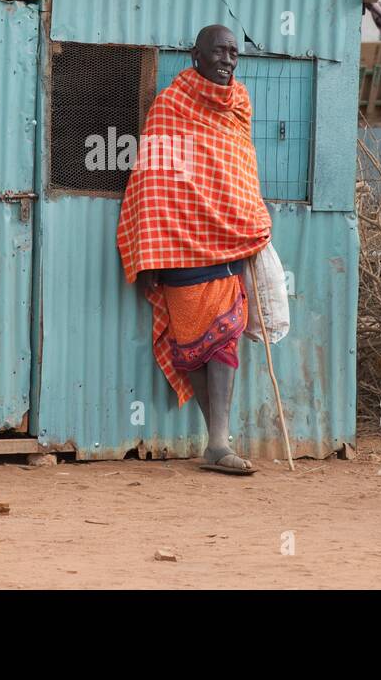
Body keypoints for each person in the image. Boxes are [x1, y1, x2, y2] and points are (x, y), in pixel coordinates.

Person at [117, 24, 271, 475]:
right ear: (195, 54)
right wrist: (150, 250)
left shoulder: (239, 104)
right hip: (181, 247)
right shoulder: (170, 106)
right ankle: (216, 440)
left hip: (228, 244)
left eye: (234, 53)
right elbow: (152, 179)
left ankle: (219, 442)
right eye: (219, 51)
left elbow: (241, 170)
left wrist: (250, 219)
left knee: (225, 342)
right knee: (193, 351)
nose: (228, 60)